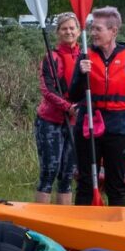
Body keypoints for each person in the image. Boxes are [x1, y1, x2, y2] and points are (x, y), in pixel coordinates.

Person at [69, 6, 125, 206]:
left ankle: (115, 230)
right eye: (92, 28)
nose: (93, 33)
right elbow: (73, 95)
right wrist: (81, 74)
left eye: (98, 29)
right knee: (85, 183)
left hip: (118, 128)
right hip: (89, 126)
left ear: (113, 31)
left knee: (116, 184)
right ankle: (81, 230)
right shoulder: (85, 56)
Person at [33, 12, 80, 204]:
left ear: (78, 31)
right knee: (49, 171)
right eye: (64, 28)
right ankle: (40, 225)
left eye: (72, 28)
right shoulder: (51, 58)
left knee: (68, 174)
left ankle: (63, 223)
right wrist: (68, 107)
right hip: (50, 121)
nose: (68, 32)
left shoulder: (85, 57)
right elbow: (47, 90)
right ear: (58, 32)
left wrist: (78, 109)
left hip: (75, 121)